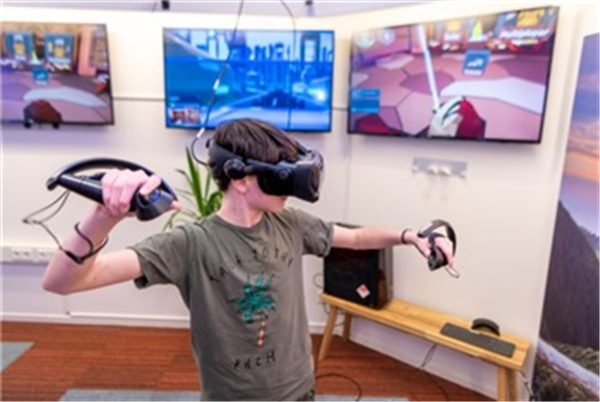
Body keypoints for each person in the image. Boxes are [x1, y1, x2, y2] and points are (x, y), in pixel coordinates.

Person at [42, 118, 455, 401]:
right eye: (279, 176)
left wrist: (411, 236)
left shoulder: (290, 223)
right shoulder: (191, 243)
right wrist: (103, 217)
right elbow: (63, 282)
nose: (289, 189)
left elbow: (357, 236)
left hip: (298, 387)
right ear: (240, 179)